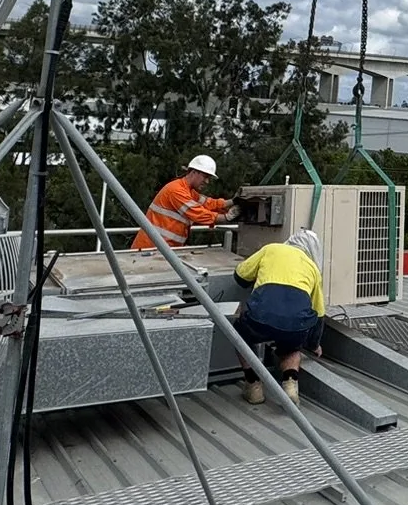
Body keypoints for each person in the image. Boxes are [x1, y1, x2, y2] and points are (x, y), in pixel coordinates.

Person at [231, 228, 327, 405]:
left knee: (239, 334)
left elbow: (240, 276)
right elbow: (319, 314)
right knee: (292, 347)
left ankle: (253, 385)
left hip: (260, 317)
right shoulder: (313, 268)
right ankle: (290, 384)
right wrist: (314, 344)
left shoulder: (271, 249)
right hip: (296, 323)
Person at [133, 154, 234, 250]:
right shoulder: (176, 190)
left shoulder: (189, 191)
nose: (207, 181)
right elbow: (197, 213)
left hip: (162, 249)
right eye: (205, 176)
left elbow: (208, 203)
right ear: (194, 172)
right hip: (150, 249)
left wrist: (232, 202)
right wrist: (226, 217)